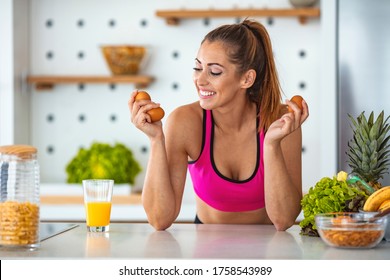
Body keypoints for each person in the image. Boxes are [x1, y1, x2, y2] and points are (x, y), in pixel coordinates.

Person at [128, 19, 309, 231]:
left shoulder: (281, 121)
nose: (200, 80)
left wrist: (271, 145)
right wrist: (156, 139)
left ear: (247, 79)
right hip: (206, 248)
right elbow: (159, 219)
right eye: (197, 68)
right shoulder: (185, 122)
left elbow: (284, 220)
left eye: (214, 72)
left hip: (268, 248)